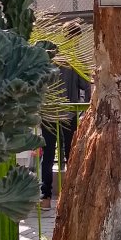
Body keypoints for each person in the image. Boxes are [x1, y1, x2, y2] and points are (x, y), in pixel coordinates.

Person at [39, 35, 91, 211]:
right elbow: (85, 85)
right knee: (71, 154)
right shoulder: (72, 63)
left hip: (48, 115)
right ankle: (72, 196)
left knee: (47, 156)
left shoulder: (43, 66)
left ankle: (45, 197)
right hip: (69, 114)